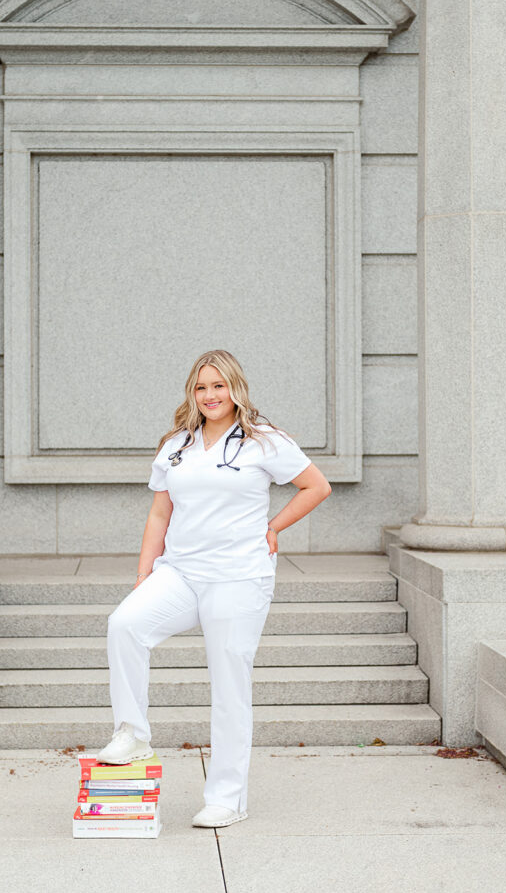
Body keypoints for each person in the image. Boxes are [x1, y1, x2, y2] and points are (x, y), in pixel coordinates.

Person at [95, 349, 332, 828]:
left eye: (219, 386)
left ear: (235, 388)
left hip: (239, 575)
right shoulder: (177, 445)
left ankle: (227, 798)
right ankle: (132, 732)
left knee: (228, 682)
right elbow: (160, 514)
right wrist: (144, 577)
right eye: (202, 387)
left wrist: (274, 526)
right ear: (192, 393)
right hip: (181, 572)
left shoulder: (264, 441)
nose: (210, 396)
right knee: (124, 624)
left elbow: (316, 486)